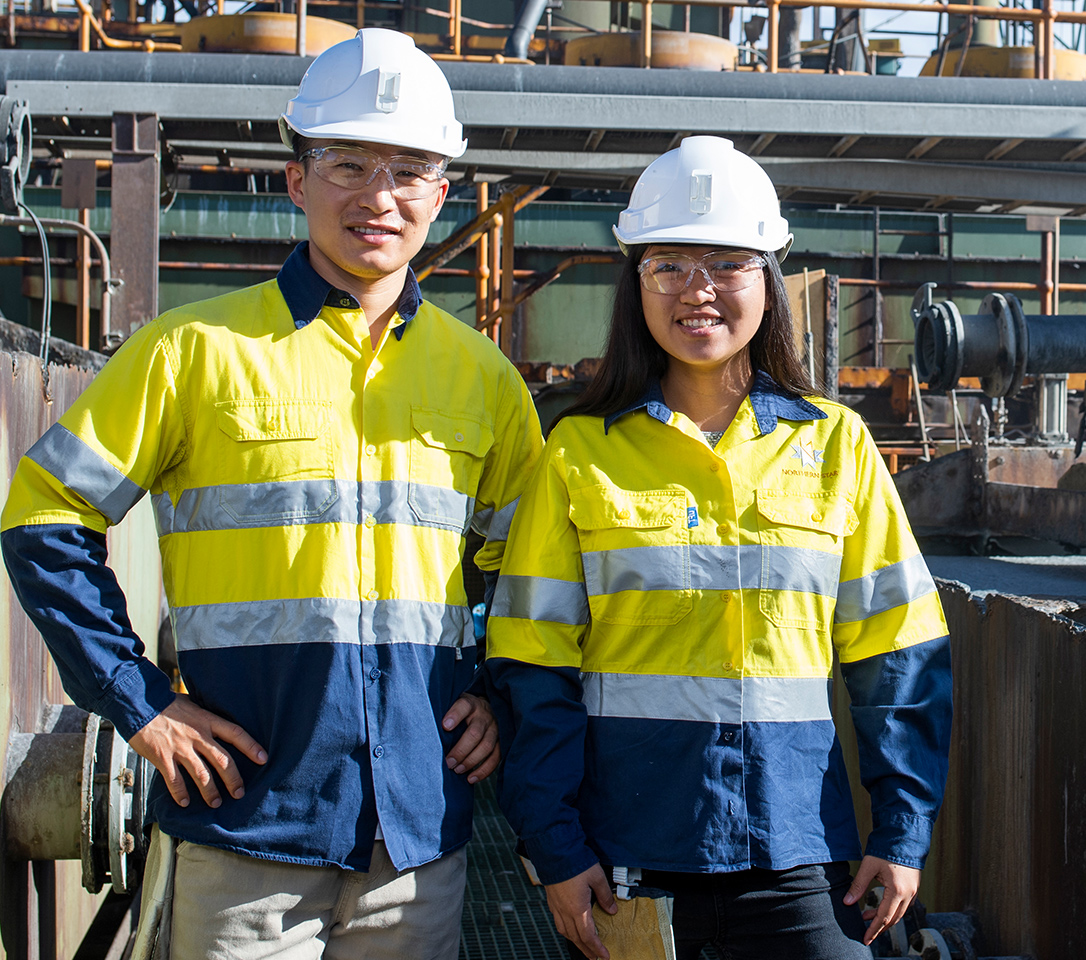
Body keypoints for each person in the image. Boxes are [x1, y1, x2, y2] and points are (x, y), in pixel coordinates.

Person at [0, 28, 543, 959]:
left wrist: (496, 692)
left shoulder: (485, 381)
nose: (378, 196)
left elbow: (532, 571)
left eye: (409, 170)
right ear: (297, 180)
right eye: (348, 164)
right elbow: (45, 515)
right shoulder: (192, 352)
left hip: (414, 847)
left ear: (440, 197)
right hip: (245, 834)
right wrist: (139, 702)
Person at [487, 136, 953, 960]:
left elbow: (900, 655)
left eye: (728, 264)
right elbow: (532, 668)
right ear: (636, 284)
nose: (698, 290)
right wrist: (554, 848)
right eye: (669, 264)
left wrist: (903, 830)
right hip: (626, 857)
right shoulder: (579, 455)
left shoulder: (837, 447)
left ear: (768, 283)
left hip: (797, 848)